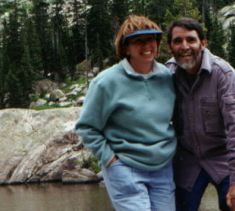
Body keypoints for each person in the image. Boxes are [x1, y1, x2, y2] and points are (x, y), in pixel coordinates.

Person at [75, 15, 177, 211]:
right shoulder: (106, 82)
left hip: (163, 166)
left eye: (151, 39)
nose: (146, 45)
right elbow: (86, 127)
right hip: (125, 167)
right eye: (138, 41)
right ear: (125, 48)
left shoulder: (167, 76)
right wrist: (110, 160)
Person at [166, 17, 235, 211]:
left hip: (224, 157)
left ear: (203, 43)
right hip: (187, 160)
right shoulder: (167, 75)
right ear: (170, 47)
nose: (184, 46)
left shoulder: (224, 74)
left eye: (191, 40)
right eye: (178, 41)